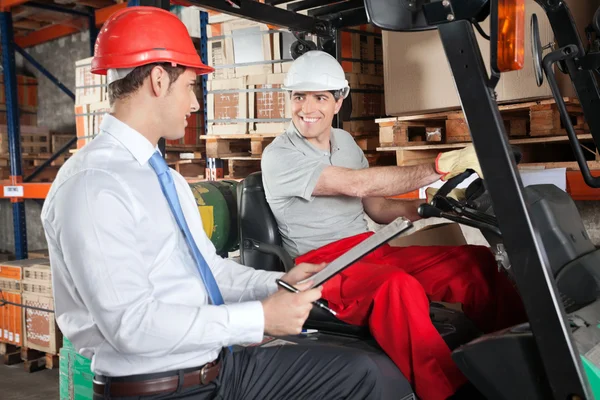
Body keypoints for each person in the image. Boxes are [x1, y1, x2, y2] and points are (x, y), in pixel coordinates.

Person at [41, 8, 385, 400]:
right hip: (161, 388)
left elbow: (209, 271)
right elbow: (131, 326)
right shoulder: (94, 186)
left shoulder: (162, 176)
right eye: (190, 86)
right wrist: (260, 318)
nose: (195, 104)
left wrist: (281, 283)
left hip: (217, 368)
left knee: (362, 372)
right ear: (158, 80)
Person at [261, 50, 528, 400]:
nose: (307, 108)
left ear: (338, 102)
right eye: (299, 97)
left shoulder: (344, 143)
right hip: (323, 266)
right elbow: (359, 185)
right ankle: (452, 393)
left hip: (372, 249)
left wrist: (437, 205)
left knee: (473, 262)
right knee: (396, 287)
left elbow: (379, 206)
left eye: (320, 97)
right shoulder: (280, 154)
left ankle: (521, 360)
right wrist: (440, 164)